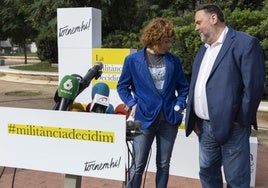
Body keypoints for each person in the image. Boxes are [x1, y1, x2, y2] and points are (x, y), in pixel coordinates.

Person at [185, 4, 265, 188]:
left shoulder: (245, 43)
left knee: (236, 179)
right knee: (207, 173)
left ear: (213, 18)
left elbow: (253, 87)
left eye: (198, 22)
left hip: (233, 127)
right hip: (204, 128)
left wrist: (240, 120)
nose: (196, 27)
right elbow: (196, 85)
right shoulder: (203, 49)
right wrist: (195, 117)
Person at [117, 18, 189, 188]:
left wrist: (179, 106)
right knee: (137, 164)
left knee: (164, 164)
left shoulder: (174, 60)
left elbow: (184, 88)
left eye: (171, 41)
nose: (169, 45)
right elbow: (122, 87)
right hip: (140, 119)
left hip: (169, 120)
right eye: (166, 41)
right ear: (155, 38)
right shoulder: (132, 60)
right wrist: (131, 102)